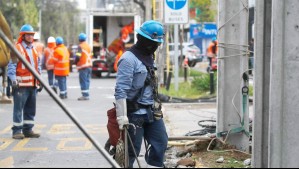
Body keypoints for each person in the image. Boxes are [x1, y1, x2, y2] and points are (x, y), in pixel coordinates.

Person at [114, 20, 168, 168]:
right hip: (134, 114)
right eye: (153, 43)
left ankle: (155, 166)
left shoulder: (149, 56)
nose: (155, 46)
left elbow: (149, 83)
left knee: (161, 142)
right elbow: (121, 90)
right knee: (132, 151)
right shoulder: (128, 59)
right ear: (143, 40)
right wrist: (121, 116)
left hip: (151, 111)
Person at [7, 24, 42, 139]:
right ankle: (17, 131)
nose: (30, 37)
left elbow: (38, 66)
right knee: (18, 109)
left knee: (30, 109)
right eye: (28, 35)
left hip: (32, 84)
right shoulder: (17, 48)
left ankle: (28, 130)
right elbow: (11, 66)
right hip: (21, 85)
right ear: (23, 36)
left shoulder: (34, 49)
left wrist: (39, 80)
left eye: (32, 35)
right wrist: (13, 80)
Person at [75, 33, 92, 101]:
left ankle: (85, 95)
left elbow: (78, 56)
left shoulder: (80, 46)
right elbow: (91, 55)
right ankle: (86, 94)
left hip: (83, 66)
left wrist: (75, 62)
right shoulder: (88, 46)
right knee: (87, 81)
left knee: (83, 81)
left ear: (79, 39)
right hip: (89, 65)